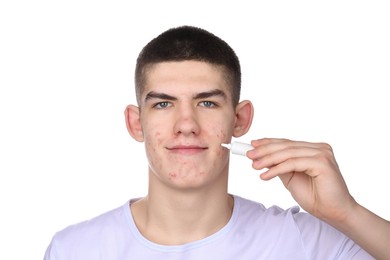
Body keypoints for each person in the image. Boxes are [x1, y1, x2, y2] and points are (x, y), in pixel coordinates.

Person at [44, 25, 390, 260]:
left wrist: (346, 214)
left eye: (207, 103)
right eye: (163, 103)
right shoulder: (75, 250)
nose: (186, 125)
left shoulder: (305, 242)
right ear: (137, 123)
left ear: (239, 119)